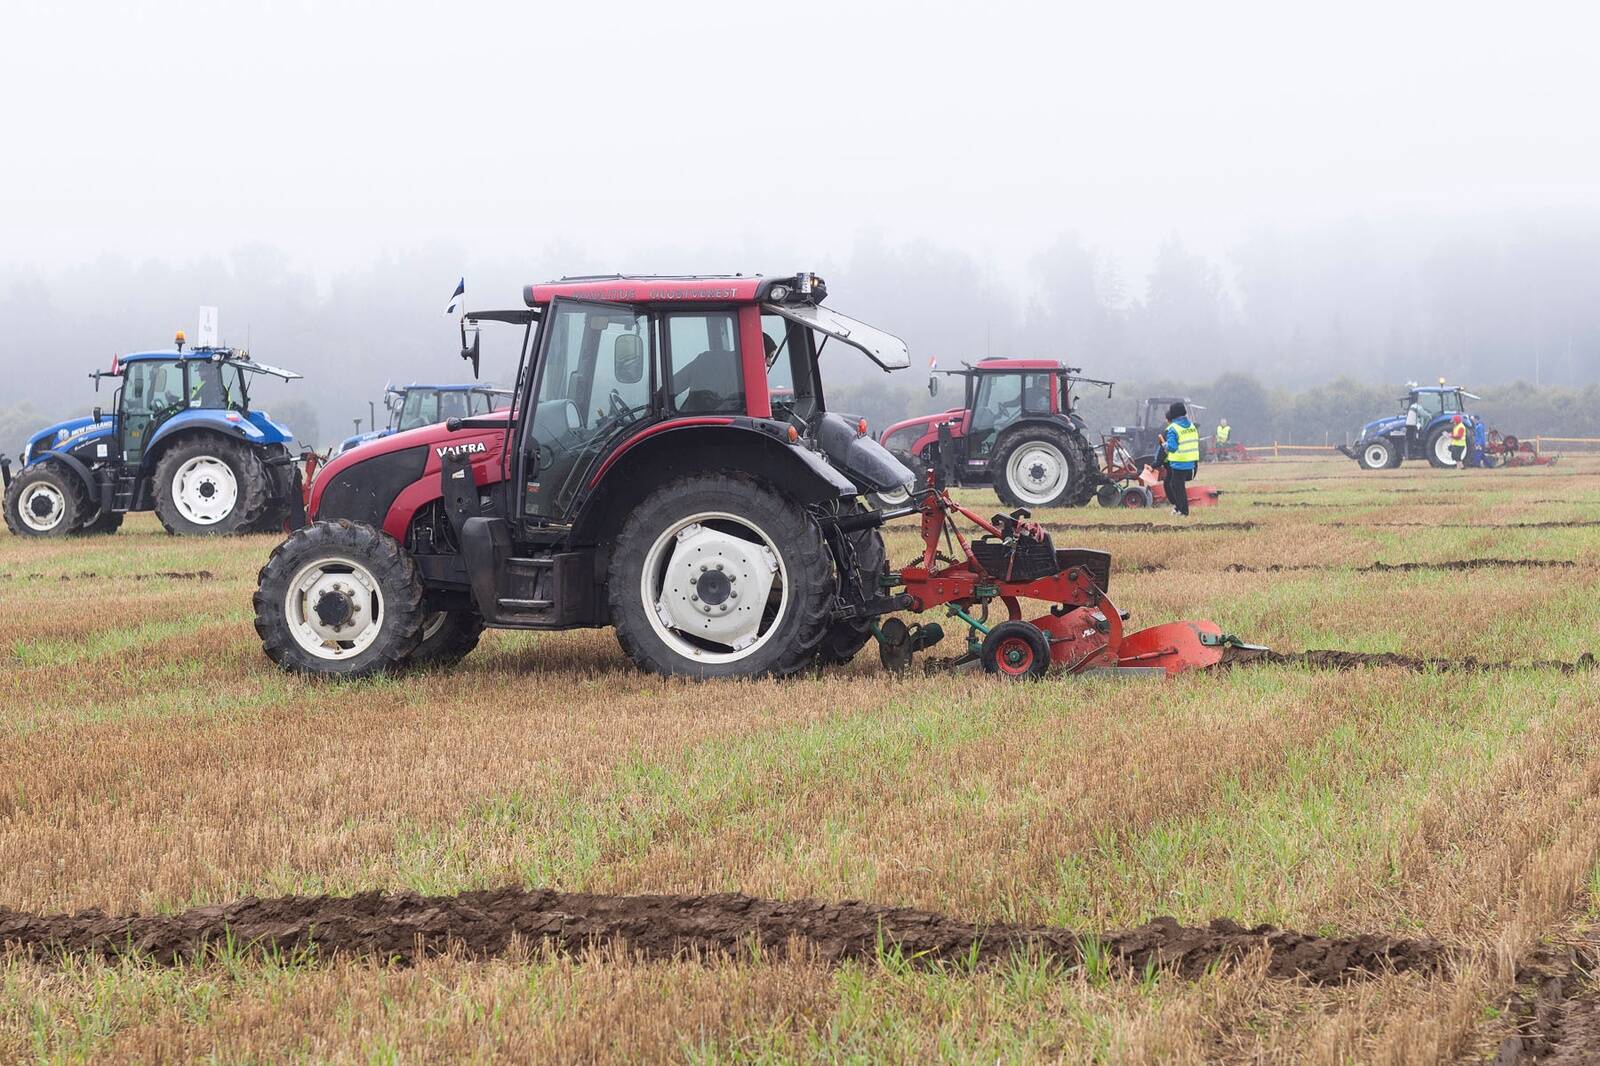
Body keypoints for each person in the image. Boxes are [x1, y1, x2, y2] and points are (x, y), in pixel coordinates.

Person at [1160, 401, 1200, 516]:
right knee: (1176, 485)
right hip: (1192, 463)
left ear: (1173, 414)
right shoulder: (1192, 426)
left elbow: (1172, 447)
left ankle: (1183, 511)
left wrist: (1165, 445)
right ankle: (1179, 508)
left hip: (1179, 463)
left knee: (1177, 486)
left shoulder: (1173, 428)